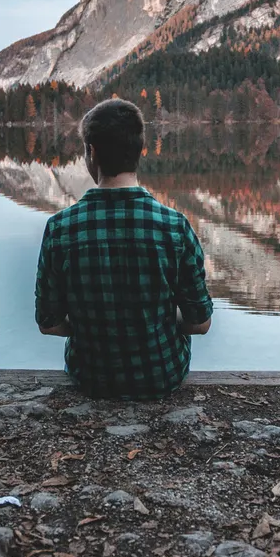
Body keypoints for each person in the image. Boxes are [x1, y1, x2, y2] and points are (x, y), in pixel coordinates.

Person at [34, 98, 213, 400]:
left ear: (91, 152)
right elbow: (200, 324)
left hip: (90, 377)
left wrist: (88, 325)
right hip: (162, 375)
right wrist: (161, 323)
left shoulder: (60, 228)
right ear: (140, 150)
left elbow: (48, 324)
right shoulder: (175, 226)